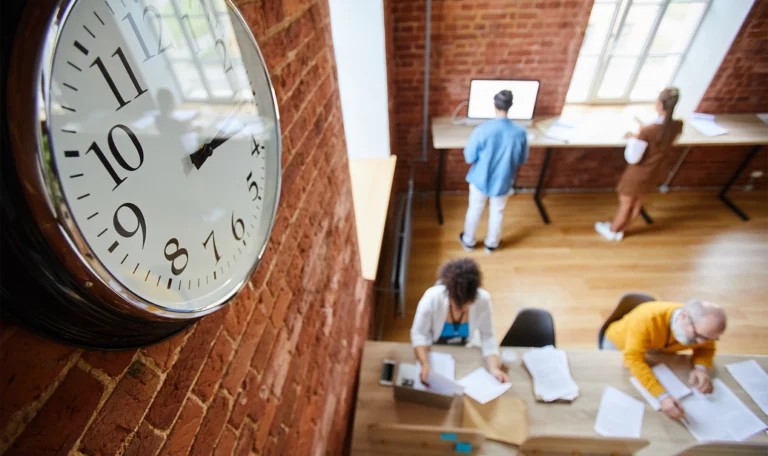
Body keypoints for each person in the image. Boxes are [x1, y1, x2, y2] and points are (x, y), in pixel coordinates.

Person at [603, 299, 727, 420]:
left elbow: (706, 349)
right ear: (683, 316)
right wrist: (662, 396)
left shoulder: (701, 330)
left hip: (653, 350)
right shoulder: (647, 318)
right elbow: (633, 359)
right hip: (618, 345)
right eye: (698, 335)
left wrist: (701, 367)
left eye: (709, 338)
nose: (701, 342)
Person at [595, 87, 683, 241]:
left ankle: (613, 230)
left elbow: (633, 158)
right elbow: (662, 140)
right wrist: (642, 134)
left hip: (639, 173)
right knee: (637, 203)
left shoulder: (648, 131)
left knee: (626, 202)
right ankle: (622, 230)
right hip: (655, 171)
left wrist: (633, 138)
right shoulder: (677, 125)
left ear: (660, 104)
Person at [410, 258, 508, 384]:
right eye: (458, 305)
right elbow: (419, 334)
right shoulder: (432, 299)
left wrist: (494, 368)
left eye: (468, 303)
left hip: (465, 352)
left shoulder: (483, 300)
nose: (463, 309)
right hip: (436, 351)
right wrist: (424, 363)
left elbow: (488, 336)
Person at [460, 90, 529, 254]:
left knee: (475, 209)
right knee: (497, 212)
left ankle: (468, 241)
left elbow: (469, 157)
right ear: (510, 106)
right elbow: (522, 159)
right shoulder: (520, 132)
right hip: (503, 180)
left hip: (480, 180)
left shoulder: (481, 130)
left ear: (494, 106)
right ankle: (492, 244)